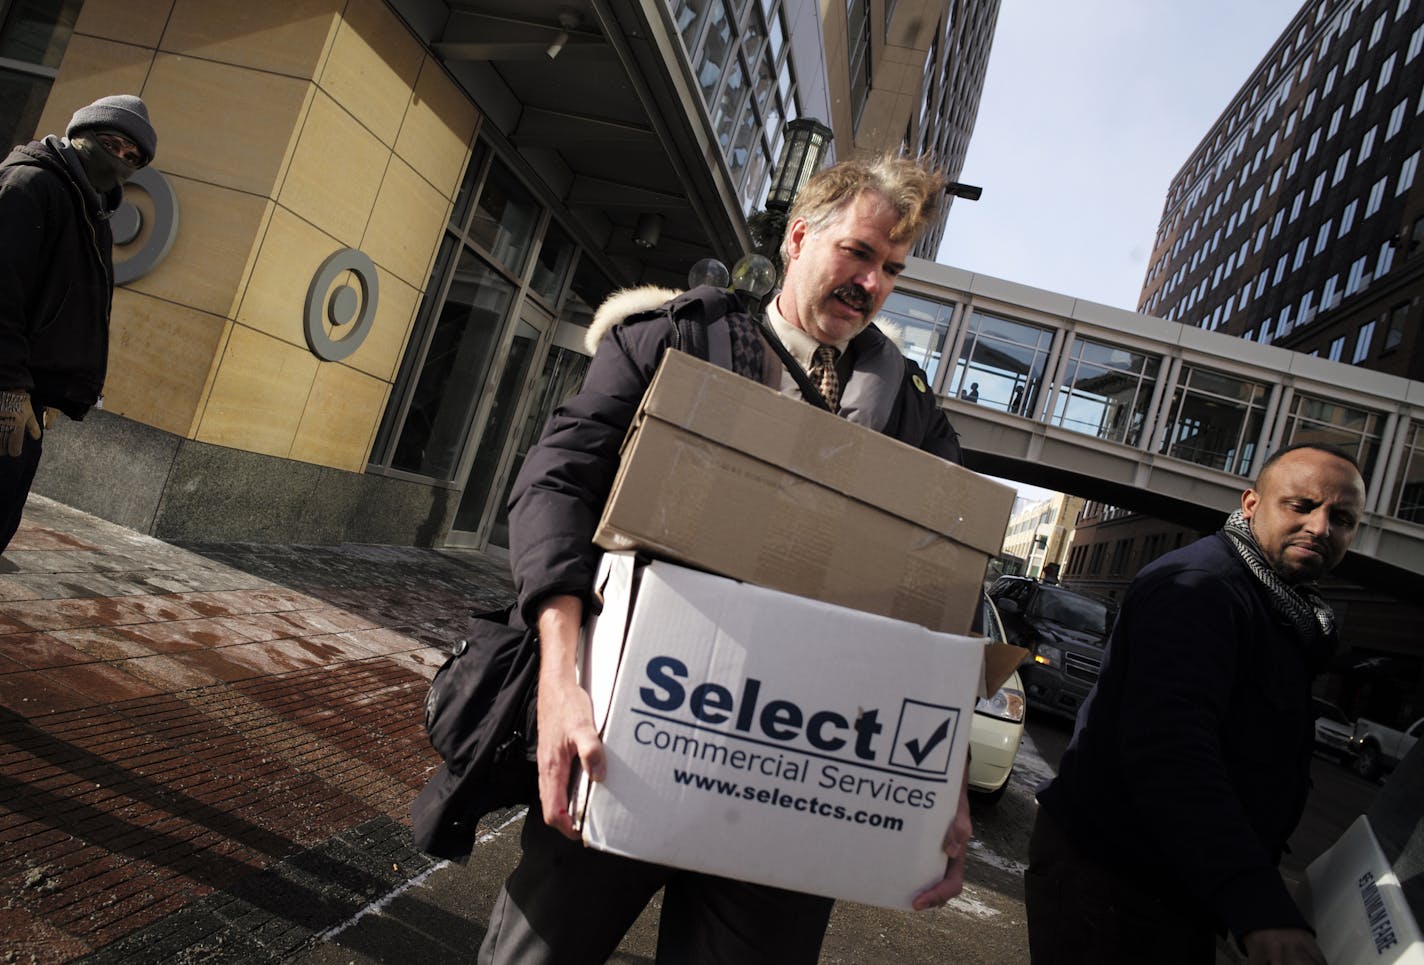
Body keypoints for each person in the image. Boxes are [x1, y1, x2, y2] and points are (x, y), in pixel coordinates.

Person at [479, 156, 970, 963]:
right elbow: (555, 486)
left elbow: (936, 594)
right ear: (799, 235)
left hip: (795, 771)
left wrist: (936, 782)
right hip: (628, 733)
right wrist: (560, 678)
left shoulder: (913, 416)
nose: (873, 283)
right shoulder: (678, 338)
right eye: (858, 252)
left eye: (891, 270)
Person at [1024, 443, 1367, 965]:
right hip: (1116, 882)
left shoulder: (1281, 604)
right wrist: (1257, 903)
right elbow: (1171, 751)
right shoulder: (1200, 588)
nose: (1321, 528)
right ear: (1251, 504)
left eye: (1341, 518)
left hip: (1173, 884)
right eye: (1300, 506)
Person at [0, 94, 157, 551]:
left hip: (28, 400)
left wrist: (48, 389)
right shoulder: (30, 184)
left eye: (134, 158)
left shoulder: (92, 211)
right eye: (113, 144)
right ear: (79, 135)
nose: (121, 160)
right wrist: (8, 387)